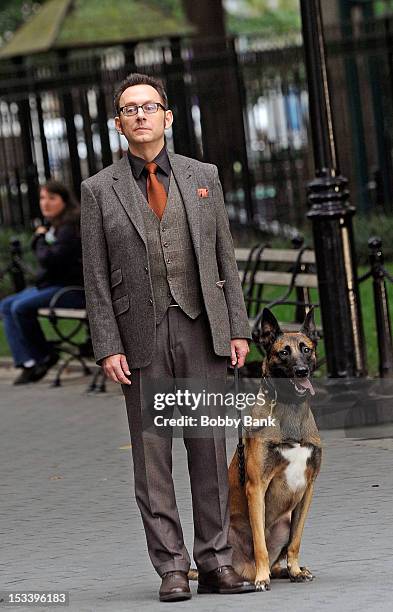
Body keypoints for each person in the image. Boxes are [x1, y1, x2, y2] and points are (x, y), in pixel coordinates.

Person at [80, 73, 254, 602]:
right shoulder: (98, 191)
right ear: (118, 123)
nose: (140, 116)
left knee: (208, 447)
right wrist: (108, 344)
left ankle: (218, 561)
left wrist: (237, 329)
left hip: (202, 329)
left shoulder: (203, 176)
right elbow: (94, 276)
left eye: (149, 107)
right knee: (153, 456)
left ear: (167, 116)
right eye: (129, 109)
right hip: (140, 336)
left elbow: (225, 257)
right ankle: (172, 567)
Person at [0, 181, 84, 385]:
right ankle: (28, 362)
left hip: (71, 290)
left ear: (64, 201)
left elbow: (50, 259)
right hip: (52, 286)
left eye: (52, 198)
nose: (45, 203)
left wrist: (38, 240)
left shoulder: (70, 227)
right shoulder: (54, 226)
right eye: (42, 198)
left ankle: (44, 355)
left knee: (20, 307)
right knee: (6, 305)